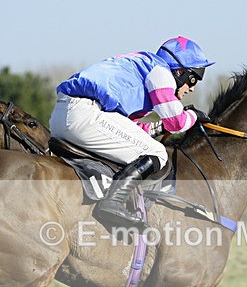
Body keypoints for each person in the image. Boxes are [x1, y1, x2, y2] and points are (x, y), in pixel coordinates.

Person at [50, 36, 215, 229]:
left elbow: (130, 130)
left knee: (144, 149)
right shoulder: (161, 72)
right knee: (158, 153)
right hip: (83, 115)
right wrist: (193, 116)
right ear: (179, 71)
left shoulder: (143, 70)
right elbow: (177, 123)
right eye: (194, 78)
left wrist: (162, 125)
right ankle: (113, 202)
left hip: (65, 115)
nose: (193, 88)